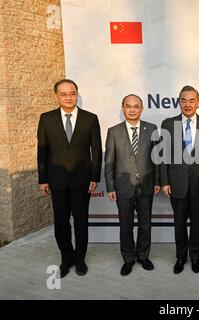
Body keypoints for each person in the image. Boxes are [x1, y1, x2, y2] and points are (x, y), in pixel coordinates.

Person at [37, 79, 102, 278]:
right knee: (61, 222)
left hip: (82, 181)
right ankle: (66, 259)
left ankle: (80, 259)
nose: (68, 97)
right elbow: (42, 150)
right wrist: (43, 179)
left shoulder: (90, 118)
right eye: (63, 94)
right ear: (56, 96)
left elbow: (97, 150)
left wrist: (94, 176)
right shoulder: (46, 119)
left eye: (72, 93)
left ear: (77, 94)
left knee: (81, 222)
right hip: (56, 181)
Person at [160, 85, 199, 274]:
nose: (187, 104)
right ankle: (181, 256)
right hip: (176, 183)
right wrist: (165, 181)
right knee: (179, 223)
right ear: (179, 101)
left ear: (198, 102)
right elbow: (163, 156)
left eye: (192, 100)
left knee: (197, 223)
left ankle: (195, 257)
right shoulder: (168, 124)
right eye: (183, 100)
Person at [104, 94, 160, 276]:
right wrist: (111, 187)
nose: (132, 109)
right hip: (123, 187)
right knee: (125, 226)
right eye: (128, 106)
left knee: (145, 224)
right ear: (123, 108)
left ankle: (143, 256)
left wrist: (158, 181)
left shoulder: (152, 129)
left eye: (136, 106)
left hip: (146, 186)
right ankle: (128, 259)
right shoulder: (113, 131)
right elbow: (109, 162)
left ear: (142, 109)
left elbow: (157, 159)